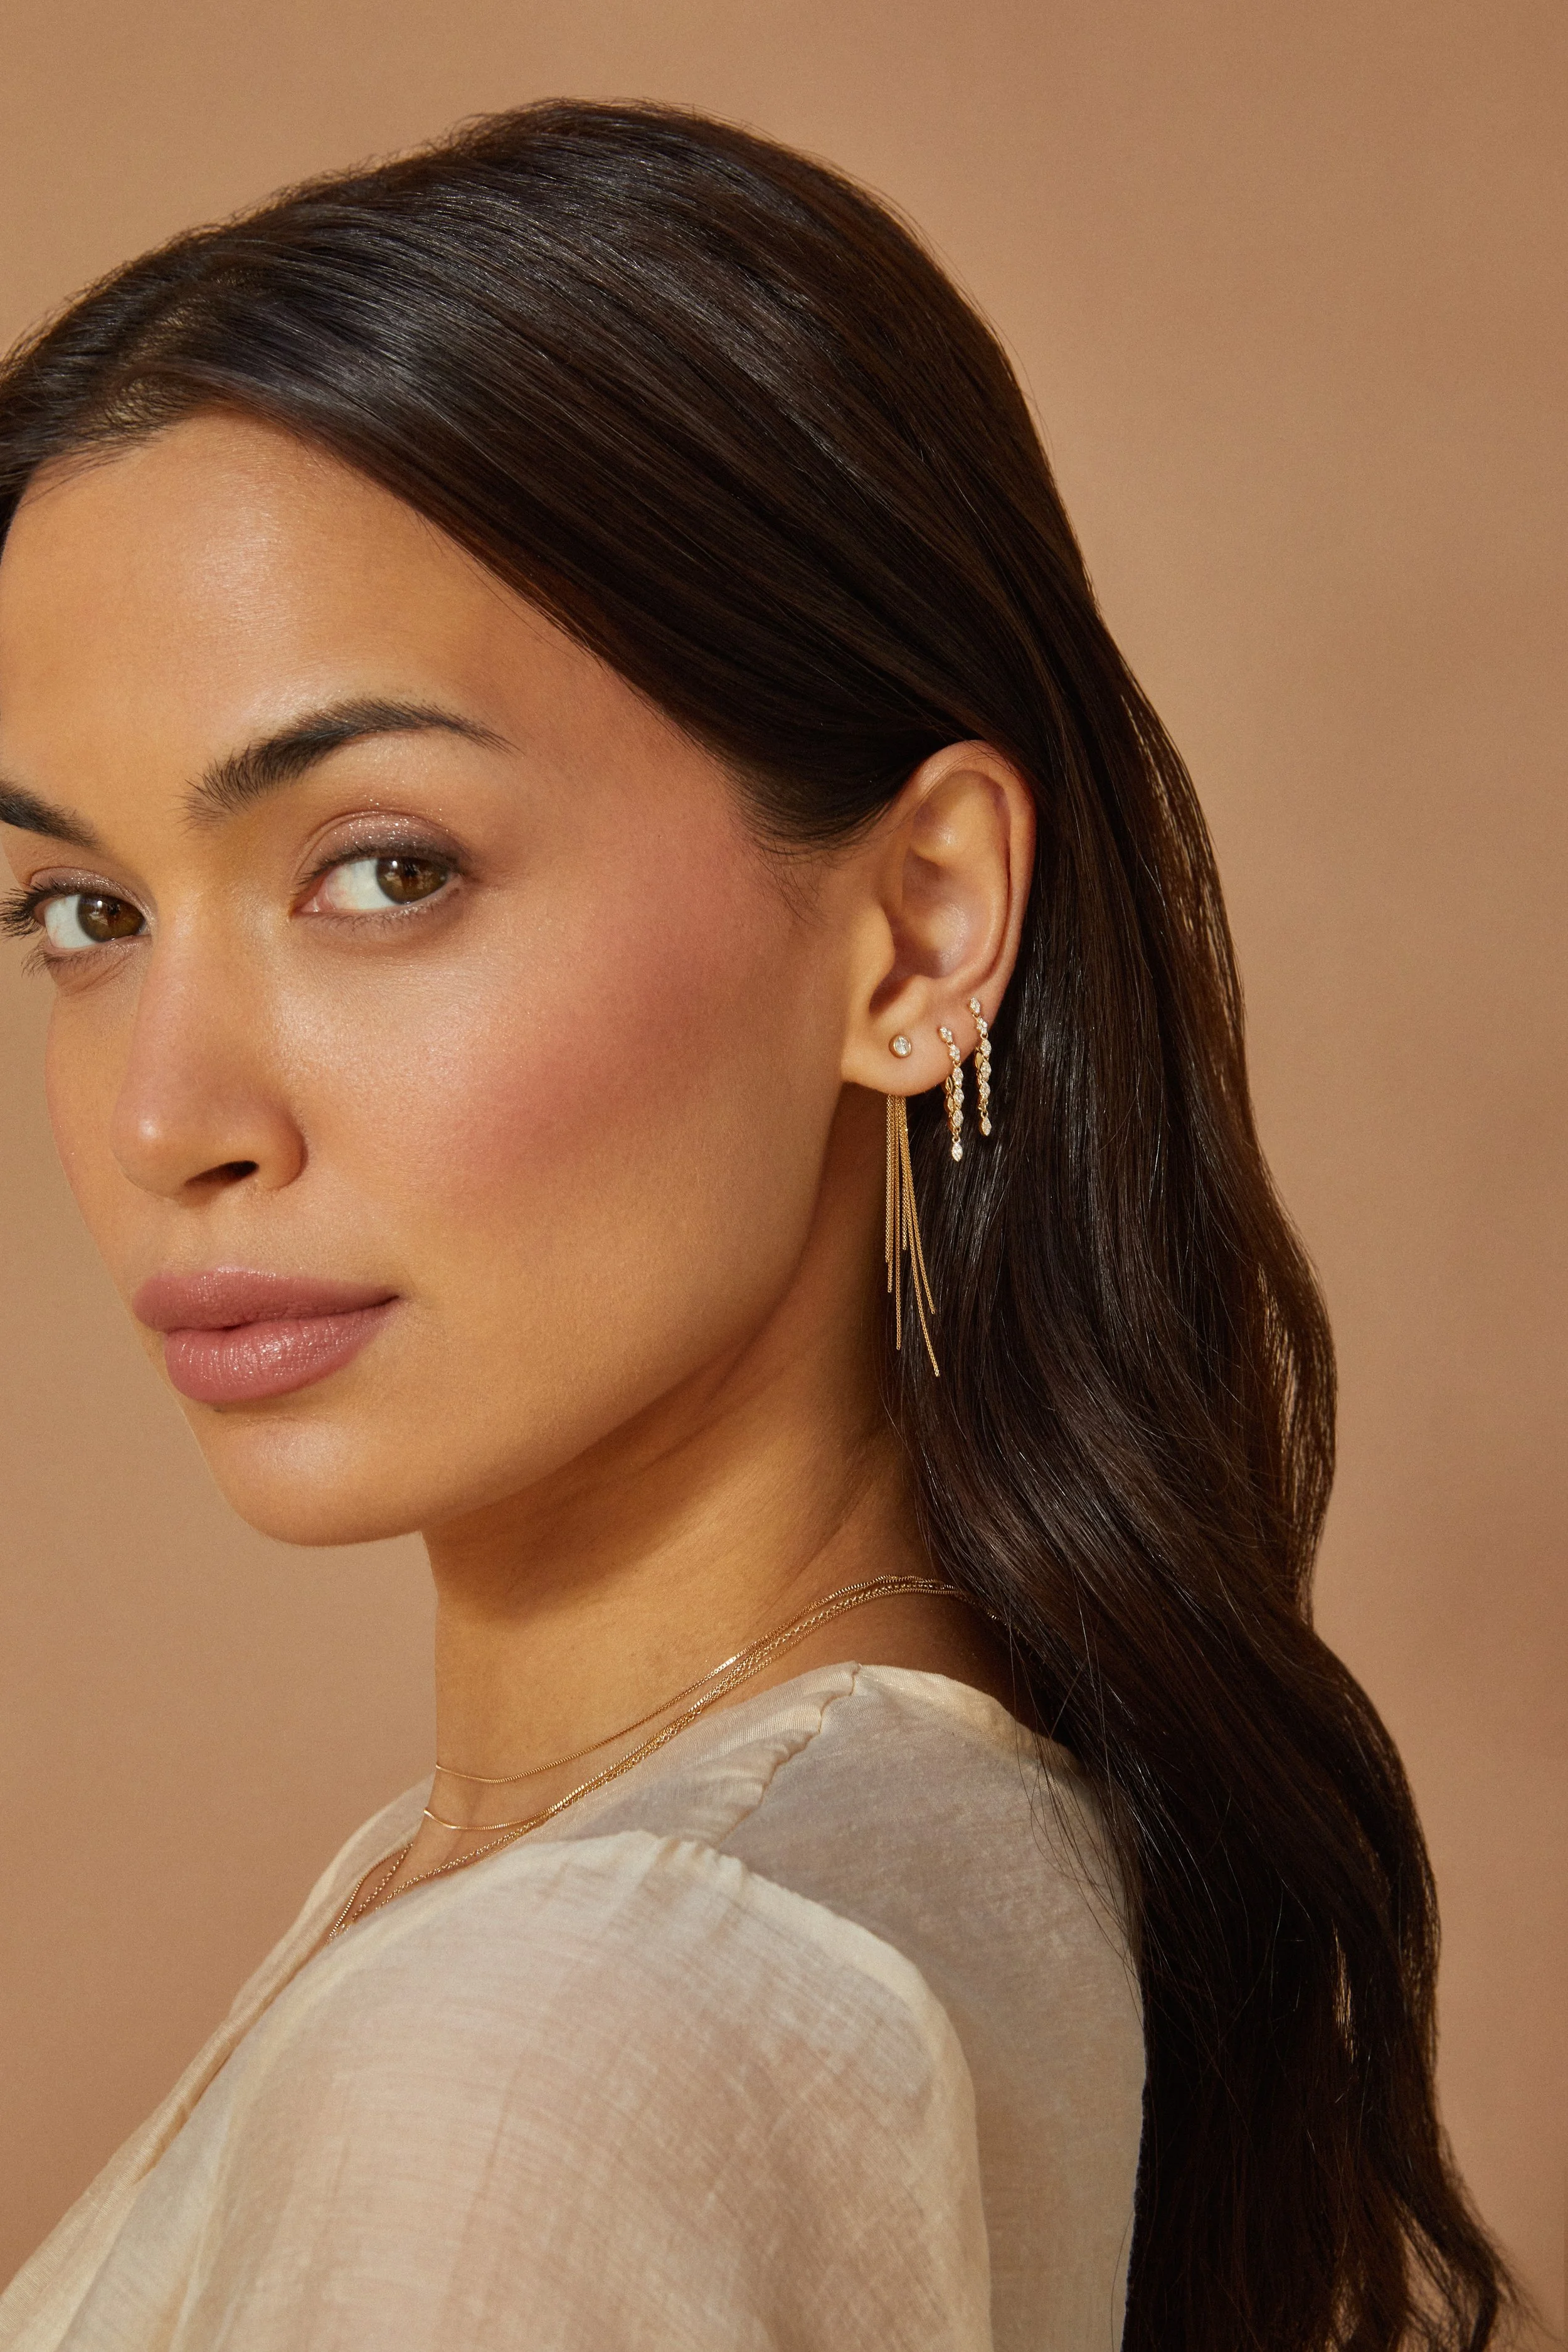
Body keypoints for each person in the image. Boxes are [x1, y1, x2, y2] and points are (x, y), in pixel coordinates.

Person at [0, 101, 1508, 2352]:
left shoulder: (554, 2041)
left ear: (916, 930)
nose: (164, 1114)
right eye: (79, 907)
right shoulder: (915, 1853)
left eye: (385, 867)